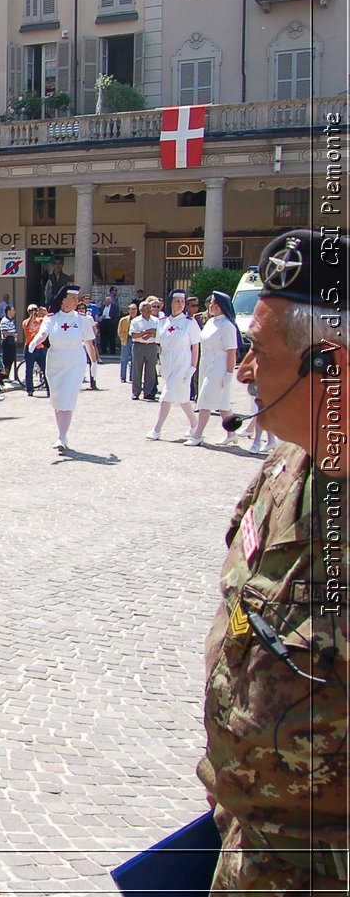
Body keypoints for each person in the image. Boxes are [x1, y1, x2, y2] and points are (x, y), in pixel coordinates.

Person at [198, 228, 347, 891]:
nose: (244, 371)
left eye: (259, 351)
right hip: (249, 846)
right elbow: (241, 613)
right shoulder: (285, 468)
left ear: (328, 366)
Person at [25, 285, 96, 452]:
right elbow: (43, 333)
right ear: (63, 299)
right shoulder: (51, 318)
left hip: (74, 361)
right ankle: (61, 433)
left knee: (68, 397)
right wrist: (35, 342)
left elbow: (89, 343)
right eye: (73, 298)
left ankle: (62, 436)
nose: (76, 301)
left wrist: (93, 362)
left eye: (77, 298)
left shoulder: (82, 319)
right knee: (58, 398)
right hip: (56, 360)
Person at [187, 291, 241, 447]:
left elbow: (231, 351)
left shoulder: (228, 326)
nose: (211, 305)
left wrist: (229, 374)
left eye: (214, 303)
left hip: (220, 365)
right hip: (207, 363)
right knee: (223, 404)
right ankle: (231, 433)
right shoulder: (211, 322)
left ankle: (197, 434)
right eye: (210, 303)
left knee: (205, 400)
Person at [147, 290, 200, 442]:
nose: (180, 304)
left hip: (182, 361)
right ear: (170, 303)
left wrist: (192, 368)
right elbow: (160, 344)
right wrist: (160, 364)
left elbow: (195, 347)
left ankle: (156, 429)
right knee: (183, 399)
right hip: (167, 362)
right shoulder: (163, 323)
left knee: (166, 396)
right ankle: (195, 425)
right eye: (177, 301)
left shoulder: (189, 323)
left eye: (183, 302)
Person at [129, 297, 161, 400]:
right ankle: (136, 392)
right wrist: (146, 332)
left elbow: (159, 333)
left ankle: (148, 392)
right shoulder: (135, 321)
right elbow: (133, 335)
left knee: (150, 371)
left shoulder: (156, 321)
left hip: (151, 346)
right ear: (141, 310)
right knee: (137, 370)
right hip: (139, 346)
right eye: (146, 308)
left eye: (149, 308)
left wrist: (151, 334)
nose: (148, 310)